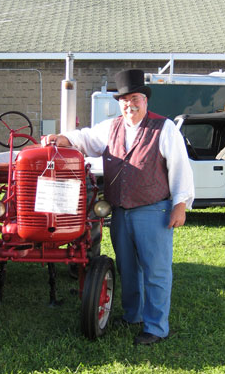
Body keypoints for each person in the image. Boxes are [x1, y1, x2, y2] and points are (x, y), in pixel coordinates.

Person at [42, 69, 194, 345]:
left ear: (145, 100)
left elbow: (180, 168)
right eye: (124, 100)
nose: (129, 104)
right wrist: (63, 139)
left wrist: (180, 205)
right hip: (121, 212)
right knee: (128, 268)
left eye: (134, 98)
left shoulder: (164, 128)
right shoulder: (110, 128)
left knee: (156, 271)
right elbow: (85, 139)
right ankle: (133, 314)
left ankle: (156, 327)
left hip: (153, 211)